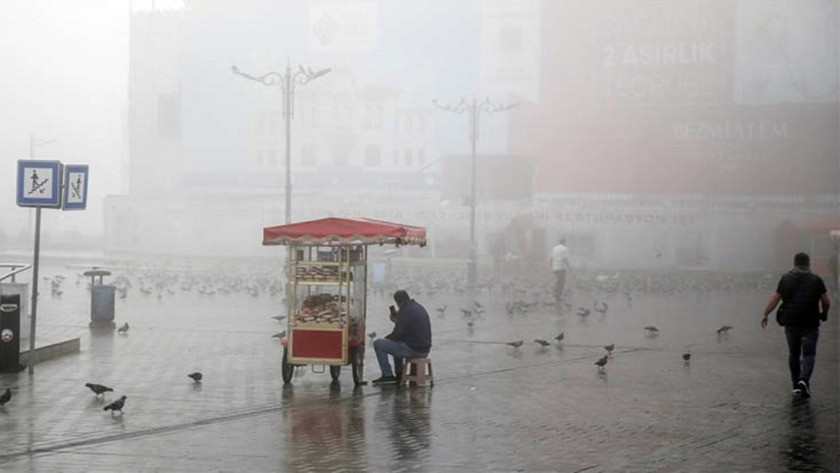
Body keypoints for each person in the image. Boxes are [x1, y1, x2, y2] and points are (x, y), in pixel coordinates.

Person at [760, 252, 831, 398]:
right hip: (810, 323)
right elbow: (826, 301)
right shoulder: (816, 280)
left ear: (794, 263)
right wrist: (824, 313)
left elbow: (776, 298)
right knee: (809, 353)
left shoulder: (786, 279)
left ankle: (796, 383)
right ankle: (803, 381)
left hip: (791, 322)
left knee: (794, 353)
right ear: (808, 263)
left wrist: (766, 313)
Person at [372, 290, 432, 384]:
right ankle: (399, 374)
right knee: (396, 344)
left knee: (378, 344)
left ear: (398, 302)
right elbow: (406, 330)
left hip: (414, 349)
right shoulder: (418, 307)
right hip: (424, 349)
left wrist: (386, 339)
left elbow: (398, 334)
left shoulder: (405, 311)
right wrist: (398, 320)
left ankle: (387, 375)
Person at [550, 237, 570, 302]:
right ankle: (558, 296)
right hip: (561, 268)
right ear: (564, 242)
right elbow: (565, 259)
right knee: (561, 282)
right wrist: (568, 266)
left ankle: (556, 294)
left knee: (558, 281)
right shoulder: (565, 249)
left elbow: (551, 258)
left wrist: (551, 267)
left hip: (555, 268)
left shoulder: (554, 248)